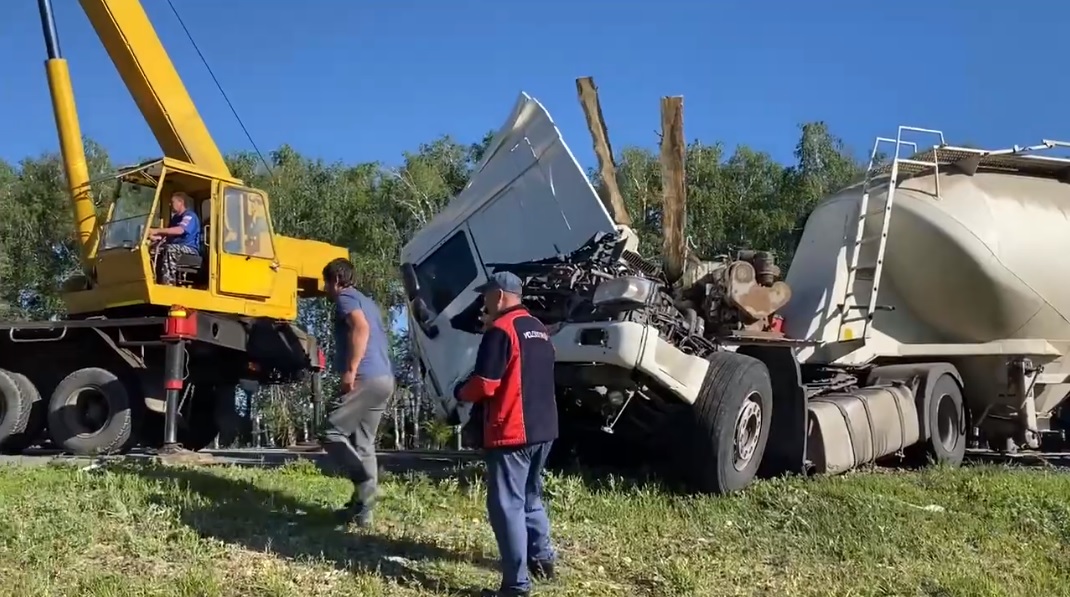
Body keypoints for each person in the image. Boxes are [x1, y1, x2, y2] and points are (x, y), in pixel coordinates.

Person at [454, 271, 559, 597]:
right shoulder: (539, 330)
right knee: (530, 497)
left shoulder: (500, 330)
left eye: (486, 295)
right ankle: (542, 560)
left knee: (507, 506)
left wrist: (460, 392)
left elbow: (486, 383)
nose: (483, 302)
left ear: (499, 295)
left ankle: (516, 585)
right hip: (544, 429)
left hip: (512, 431)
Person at [319, 257, 394, 527]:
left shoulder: (346, 298)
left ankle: (363, 483)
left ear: (337, 280)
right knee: (364, 443)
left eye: (326, 282)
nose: (325, 289)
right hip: (384, 378)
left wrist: (350, 370)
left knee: (330, 432)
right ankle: (364, 512)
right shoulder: (367, 300)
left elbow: (360, 328)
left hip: (366, 377)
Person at [147, 191, 201, 285]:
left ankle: (168, 282)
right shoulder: (175, 218)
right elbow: (168, 235)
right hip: (177, 246)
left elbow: (180, 230)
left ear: (180, 202)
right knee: (154, 249)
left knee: (169, 249)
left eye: (172, 202)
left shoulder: (189, 216)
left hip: (189, 248)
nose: (170, 204)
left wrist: (157, 230)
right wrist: (154, 237)